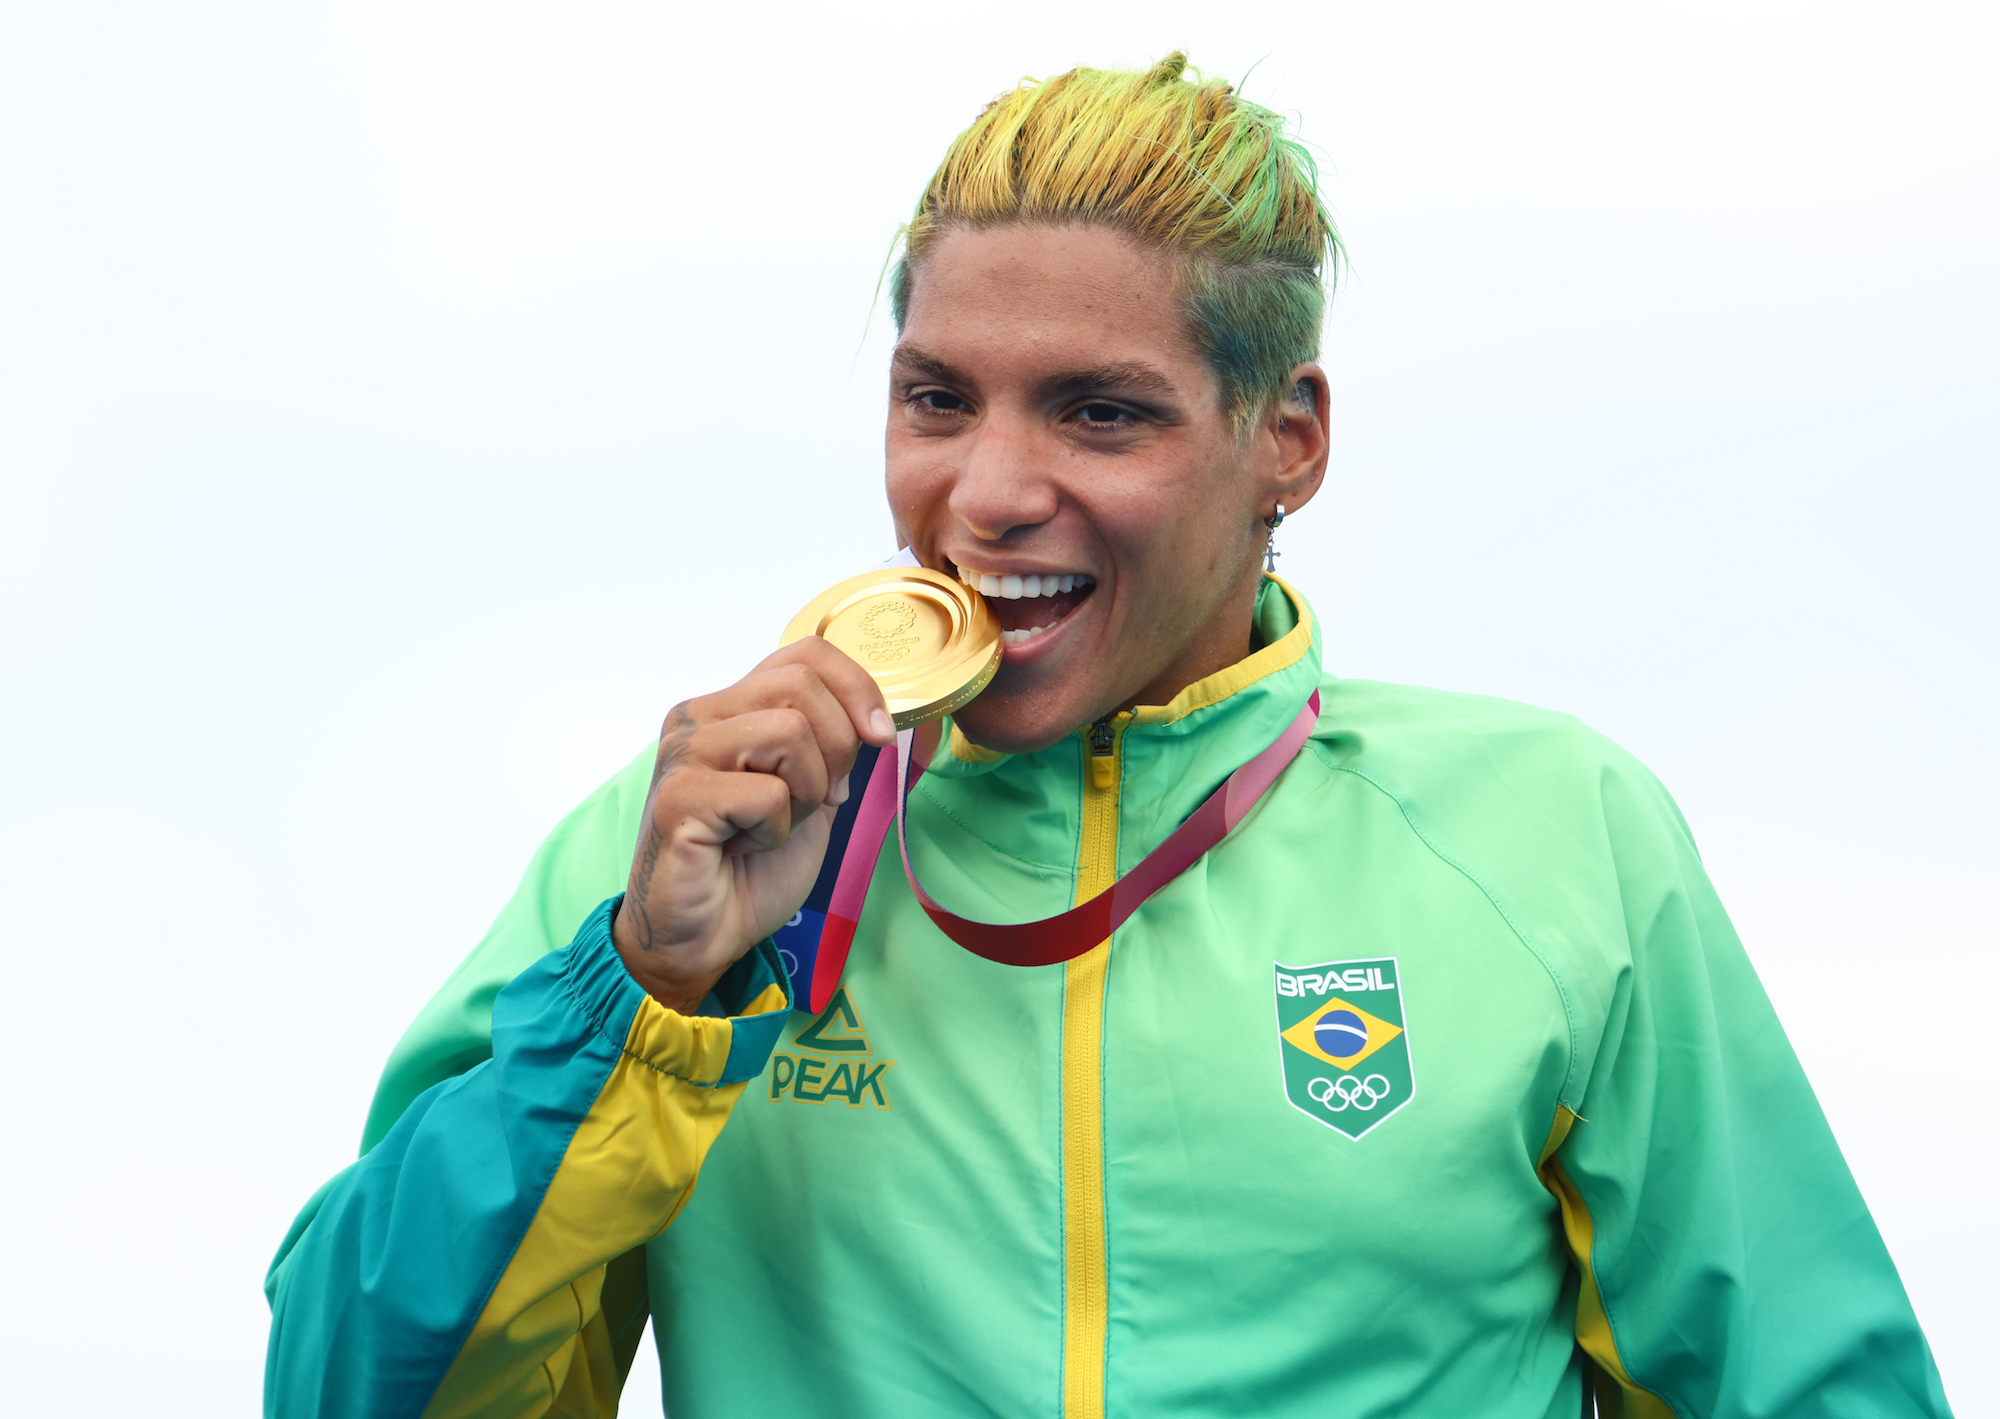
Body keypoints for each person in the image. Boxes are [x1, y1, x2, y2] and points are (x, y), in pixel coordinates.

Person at [264, 53, 1953, 1419]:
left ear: (1285, 437)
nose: (988, 496)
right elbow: (347, 1394)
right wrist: (651, 991)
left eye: (1100, 411)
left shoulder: (1551, 835)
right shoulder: (691, 843)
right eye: (939, 399)